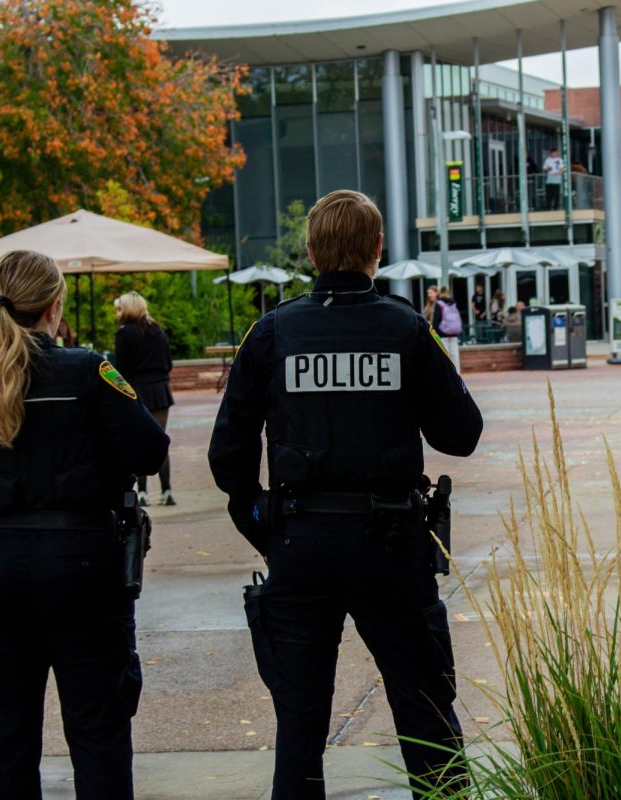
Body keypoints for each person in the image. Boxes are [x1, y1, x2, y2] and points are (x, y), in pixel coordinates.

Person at [207, 190, 483, 800]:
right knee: (426, 713)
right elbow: (461, 435)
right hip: (391, 543)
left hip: (301, 542)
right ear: (377, 250)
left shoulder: (273, 331)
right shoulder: (407, 328)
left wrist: (263, 522)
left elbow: (227, 455)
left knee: (300, 723)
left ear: (310, 252)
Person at [0, 250, 169, 799]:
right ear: (53, 307)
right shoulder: (89, 371)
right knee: (99, 736)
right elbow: (149, 447)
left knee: (5, 740)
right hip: (85, 570)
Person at [114, 291, 176, 506]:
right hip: (160, 390)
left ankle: (141, 492)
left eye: (119, 308)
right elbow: (168, 363)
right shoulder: (158, 331)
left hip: (137, 390)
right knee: (160, 439)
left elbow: (121, 370)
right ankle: (167, 490)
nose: (117, 313)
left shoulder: (124, 334)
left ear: (128, 309)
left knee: (137, 439)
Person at [432, 285, 463, 371]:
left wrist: (434, 331)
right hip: (454, 332)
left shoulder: (439, 303)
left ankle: (447, 372)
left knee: (445, 353)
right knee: (454, 353)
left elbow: (437, 319)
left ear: (440, 292)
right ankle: (457, 371)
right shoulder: (453, 303)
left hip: (443, 332)